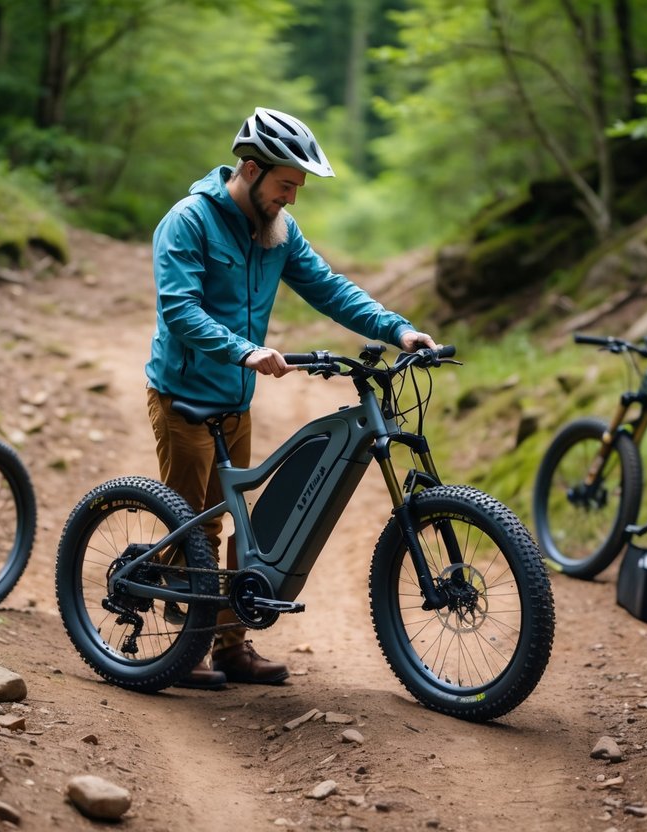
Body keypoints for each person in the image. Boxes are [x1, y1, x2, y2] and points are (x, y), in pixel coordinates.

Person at [145, 106, 439, 690]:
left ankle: (231, 648)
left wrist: (396, 328)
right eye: (285, 185)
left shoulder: (277, 230)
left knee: (238, 526)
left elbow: (328, 288)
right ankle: (184, 649)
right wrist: (245, 350)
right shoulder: (189, 222)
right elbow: (179, 310)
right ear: (250, 171)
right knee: (196, 526)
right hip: (183, 396)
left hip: (235, 397)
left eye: (297, 188)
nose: (292, 199)